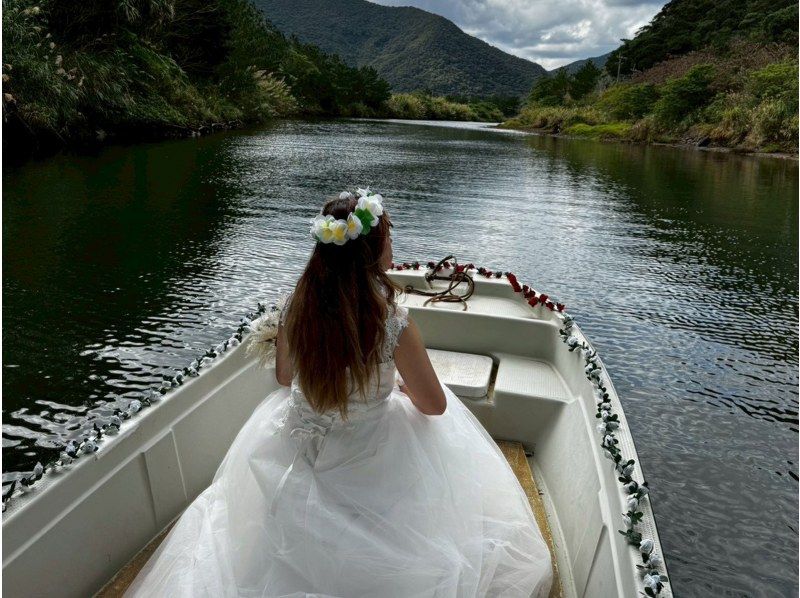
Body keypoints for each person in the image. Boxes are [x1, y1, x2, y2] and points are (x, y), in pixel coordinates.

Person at [124, 188, 553, 597]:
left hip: (298, 441)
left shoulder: (296, 306)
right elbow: (434, 405)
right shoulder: (392, 321)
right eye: (388, 238)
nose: (392, 246)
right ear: (369, 252)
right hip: (367, 447)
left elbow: (285, 378)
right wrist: (401, 389)